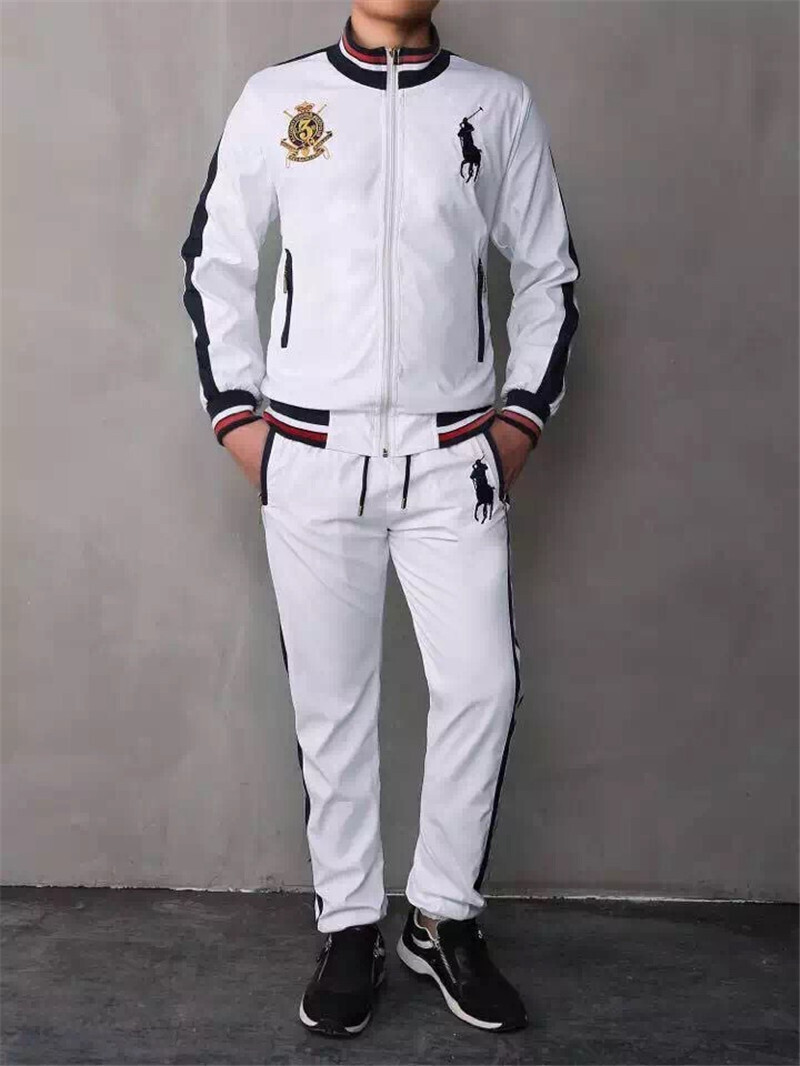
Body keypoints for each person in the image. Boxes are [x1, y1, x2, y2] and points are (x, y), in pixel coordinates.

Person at [180, 0, 580, 1039]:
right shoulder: (279, 100)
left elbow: (548, 273)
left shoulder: (495, 105)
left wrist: (517, 425)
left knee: (481, 684)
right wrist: (242, 424)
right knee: (332, 701)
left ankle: (441, 916)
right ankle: (350, 923)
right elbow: (217, 261)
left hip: (454, 458)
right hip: (312, 455)